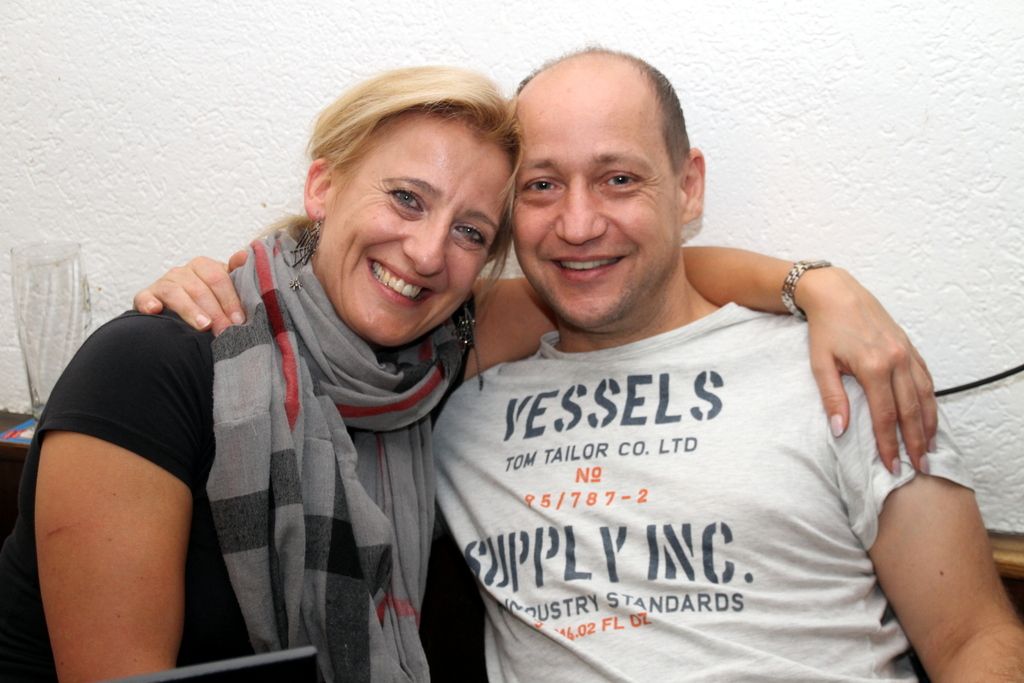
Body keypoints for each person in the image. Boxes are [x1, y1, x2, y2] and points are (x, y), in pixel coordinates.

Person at [428, 49, 1024, 680]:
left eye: (619, 180)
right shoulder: (455, 404)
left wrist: (813, 286)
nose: (577, 225)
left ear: (688, 188)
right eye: (542, 186)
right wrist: (809, 282)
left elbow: (974, 637)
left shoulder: (843, 369)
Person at [0, 65, 522, 682]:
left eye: (469, 232)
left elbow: (600, 278)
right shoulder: (149, 369)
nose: (428, 253)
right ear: (323, 187)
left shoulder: (429, 364)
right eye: (407, 198)